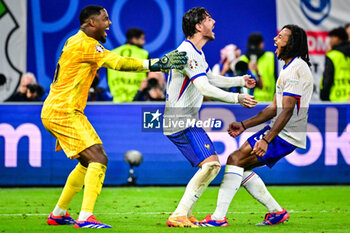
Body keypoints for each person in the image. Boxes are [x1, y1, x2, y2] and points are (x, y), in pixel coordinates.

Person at [41, 5, 187, 229]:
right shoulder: (86, 44)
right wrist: (157, 64)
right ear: (92, 23)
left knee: (87, 160)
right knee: (98, 157)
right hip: (63, 111)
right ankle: (85, 217)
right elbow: (118, 63)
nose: (109, 23)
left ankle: (59, 213)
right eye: (105, 19)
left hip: (61, 109)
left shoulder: (74, 40)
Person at [199, 24, 313, 227]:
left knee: (235, 160)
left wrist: (267, 140)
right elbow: (274, 109)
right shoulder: (289, 68)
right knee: (239, 165)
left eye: (281, 37)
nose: (275, 40)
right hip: (280, 130)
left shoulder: (295, 70)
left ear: (292, 43)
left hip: (285, 134)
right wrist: (244, 124)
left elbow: (286, 111)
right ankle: (276, 212)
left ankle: (218, 218)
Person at [164, 7, 257, 228]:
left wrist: (239, 81)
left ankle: (183, 212)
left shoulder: (195, 52)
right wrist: (237, 98)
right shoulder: (187, 52)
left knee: (210, 165)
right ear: (198, 26)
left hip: (184, 120)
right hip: (181, 120)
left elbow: (210, 78)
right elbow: (204, 86)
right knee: (212, 165)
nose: (213, 22)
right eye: (208, 19)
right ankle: (179, 214)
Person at [107, 28, 149, 103]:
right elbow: (149, 75)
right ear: (134, 39)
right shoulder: (143, 54)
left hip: (116, 100)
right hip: (137, 99)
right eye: (142, 39)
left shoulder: (112, 53)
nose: (144, 42)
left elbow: (108, 76)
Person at [240, 33, 276, 101]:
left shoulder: (242, 59)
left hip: (252, 100)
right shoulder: (270, 56)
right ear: (261, 44)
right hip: (262, 99)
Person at [320, 27, 350, 101]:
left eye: (331, 38)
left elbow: (328, 78)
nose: (330, 41)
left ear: (337, 38)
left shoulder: (333, 55)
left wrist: (324, 95)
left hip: (335, 99)